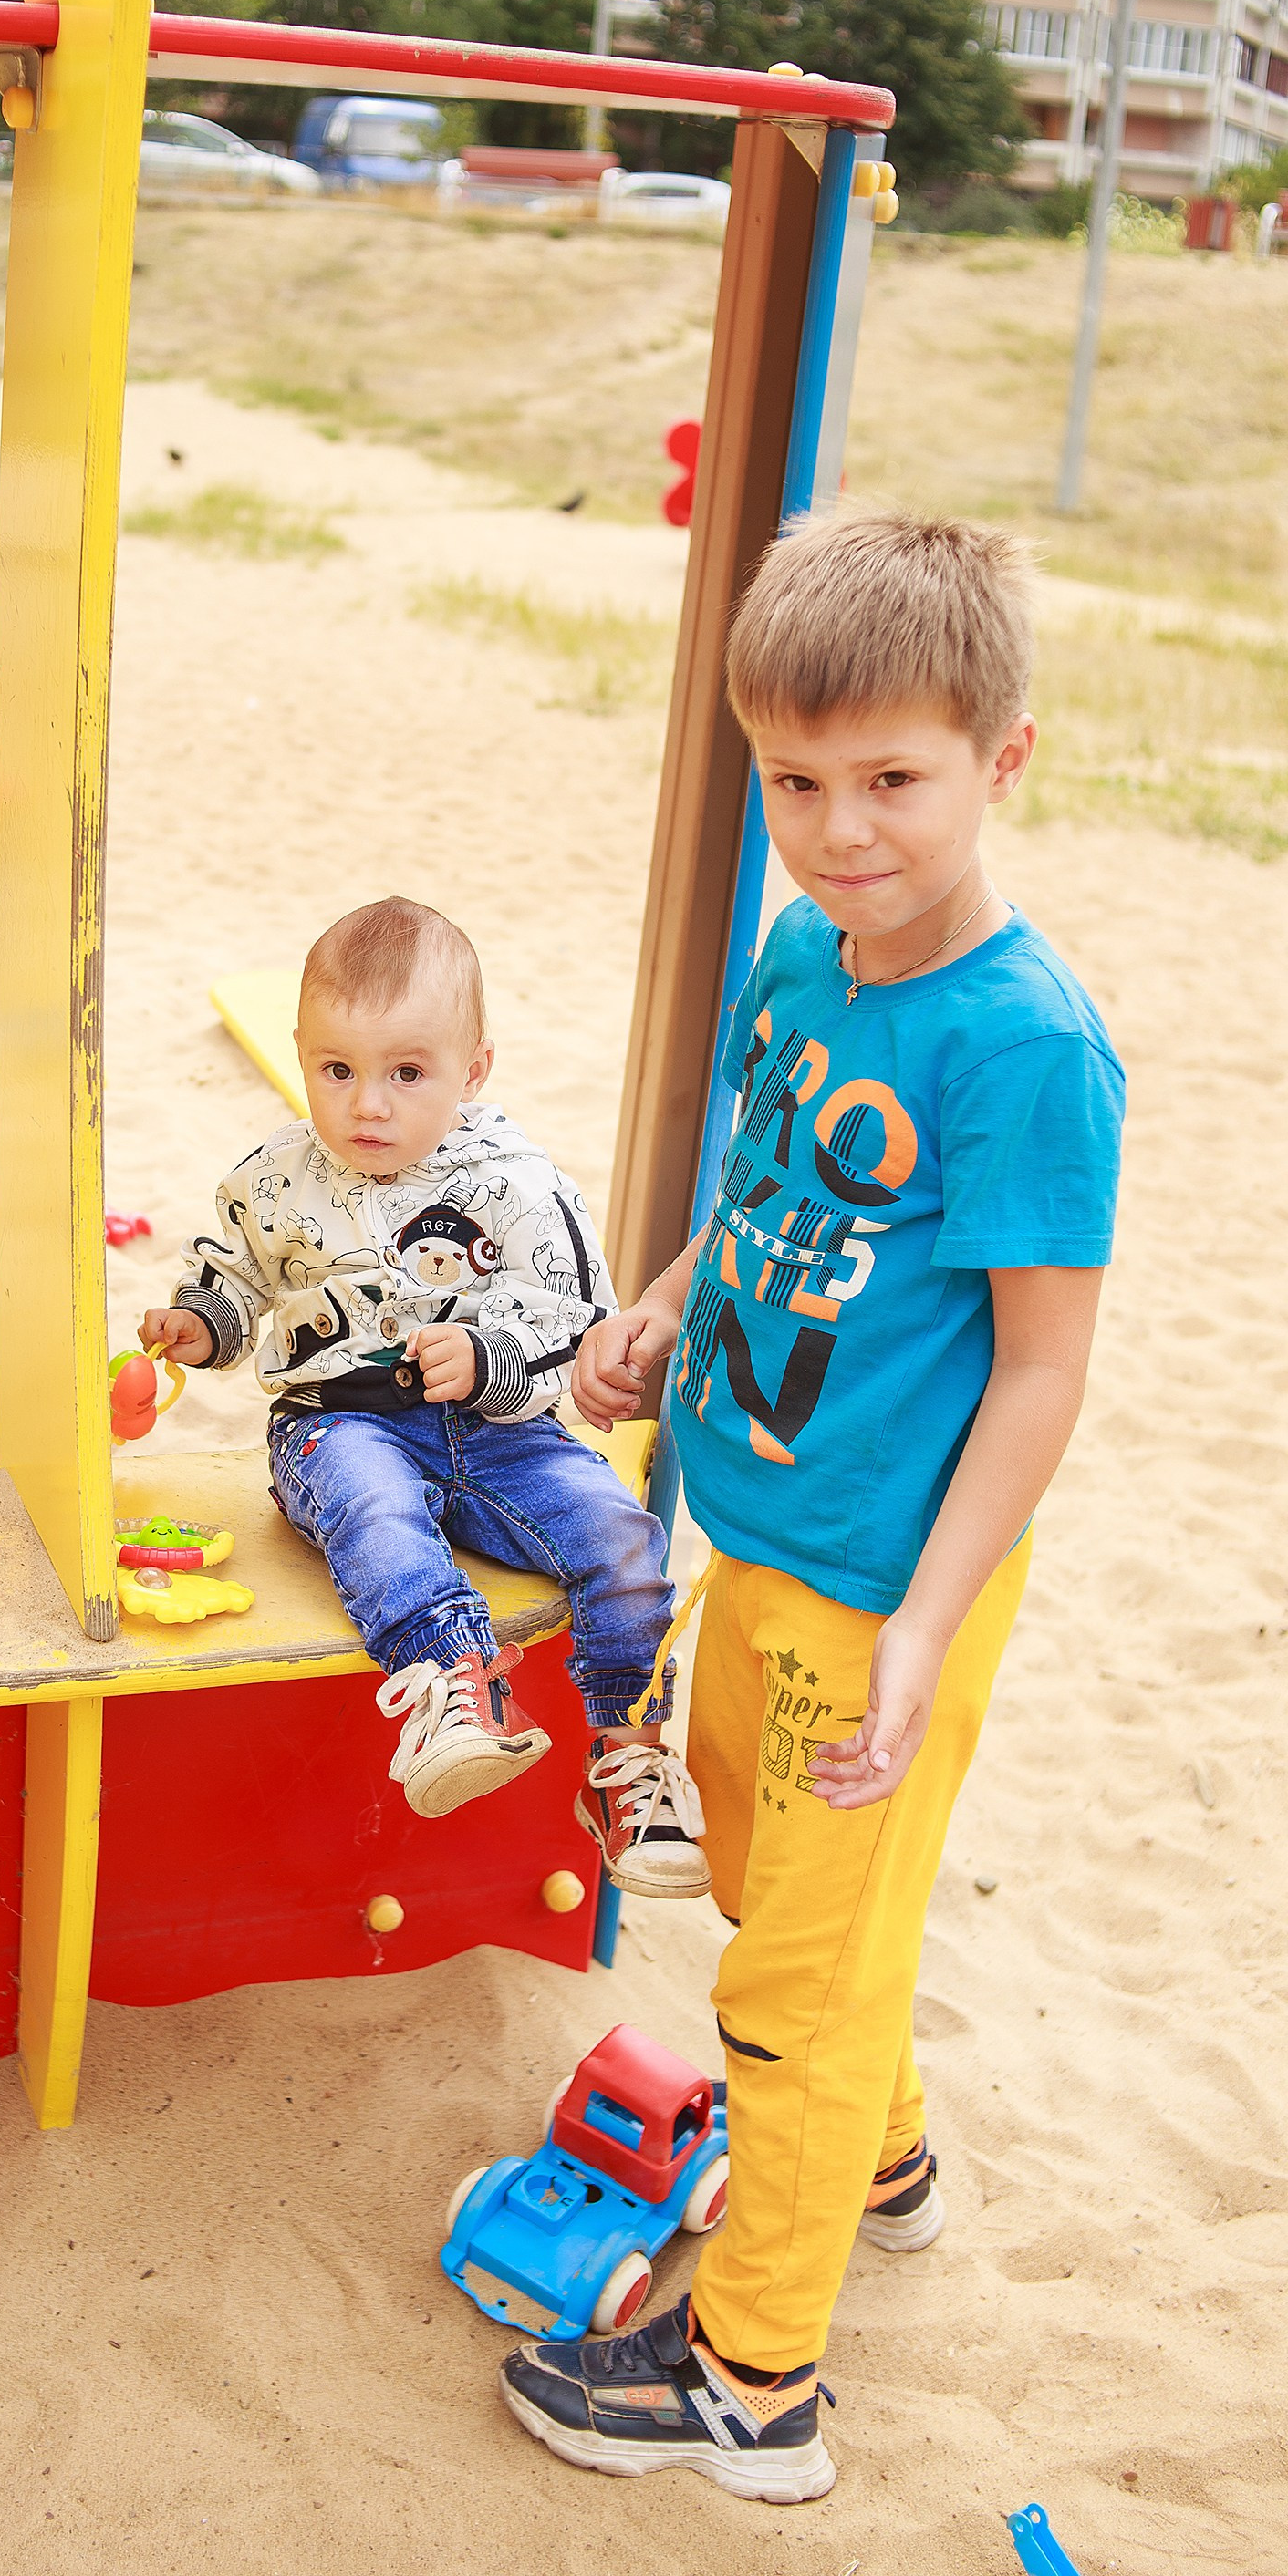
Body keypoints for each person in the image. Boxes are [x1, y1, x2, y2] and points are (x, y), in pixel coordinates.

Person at [495, 509, 1125, 2504]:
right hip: (754, 1537)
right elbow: (763, 1200)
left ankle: (757, 2382)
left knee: (781, 1988)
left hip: (885, 1588)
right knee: (788, 1910)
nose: (841, 830)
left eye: (893, 783)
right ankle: (887, 2153)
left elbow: (1037, 1370)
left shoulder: (1026, 1048)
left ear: (1000, 762)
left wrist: (926, 1641)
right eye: (795, 781)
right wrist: (659, 1315)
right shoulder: (800, 955)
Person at [140, 895, 707, 1898]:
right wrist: (201, 1323)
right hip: (339, 1423)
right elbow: (239, 1273)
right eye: (338, 1071)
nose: (367, 1106)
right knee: (374, 1508)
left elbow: (582, 1320)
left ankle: (627, 1761)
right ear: (304, 1053)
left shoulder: (520, 1185)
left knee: (619, 1536)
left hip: (499, 1437)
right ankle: (456, 1688)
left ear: (471, 1071)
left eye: (406, 1074)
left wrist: (491, 1358)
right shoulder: (278, 1179)